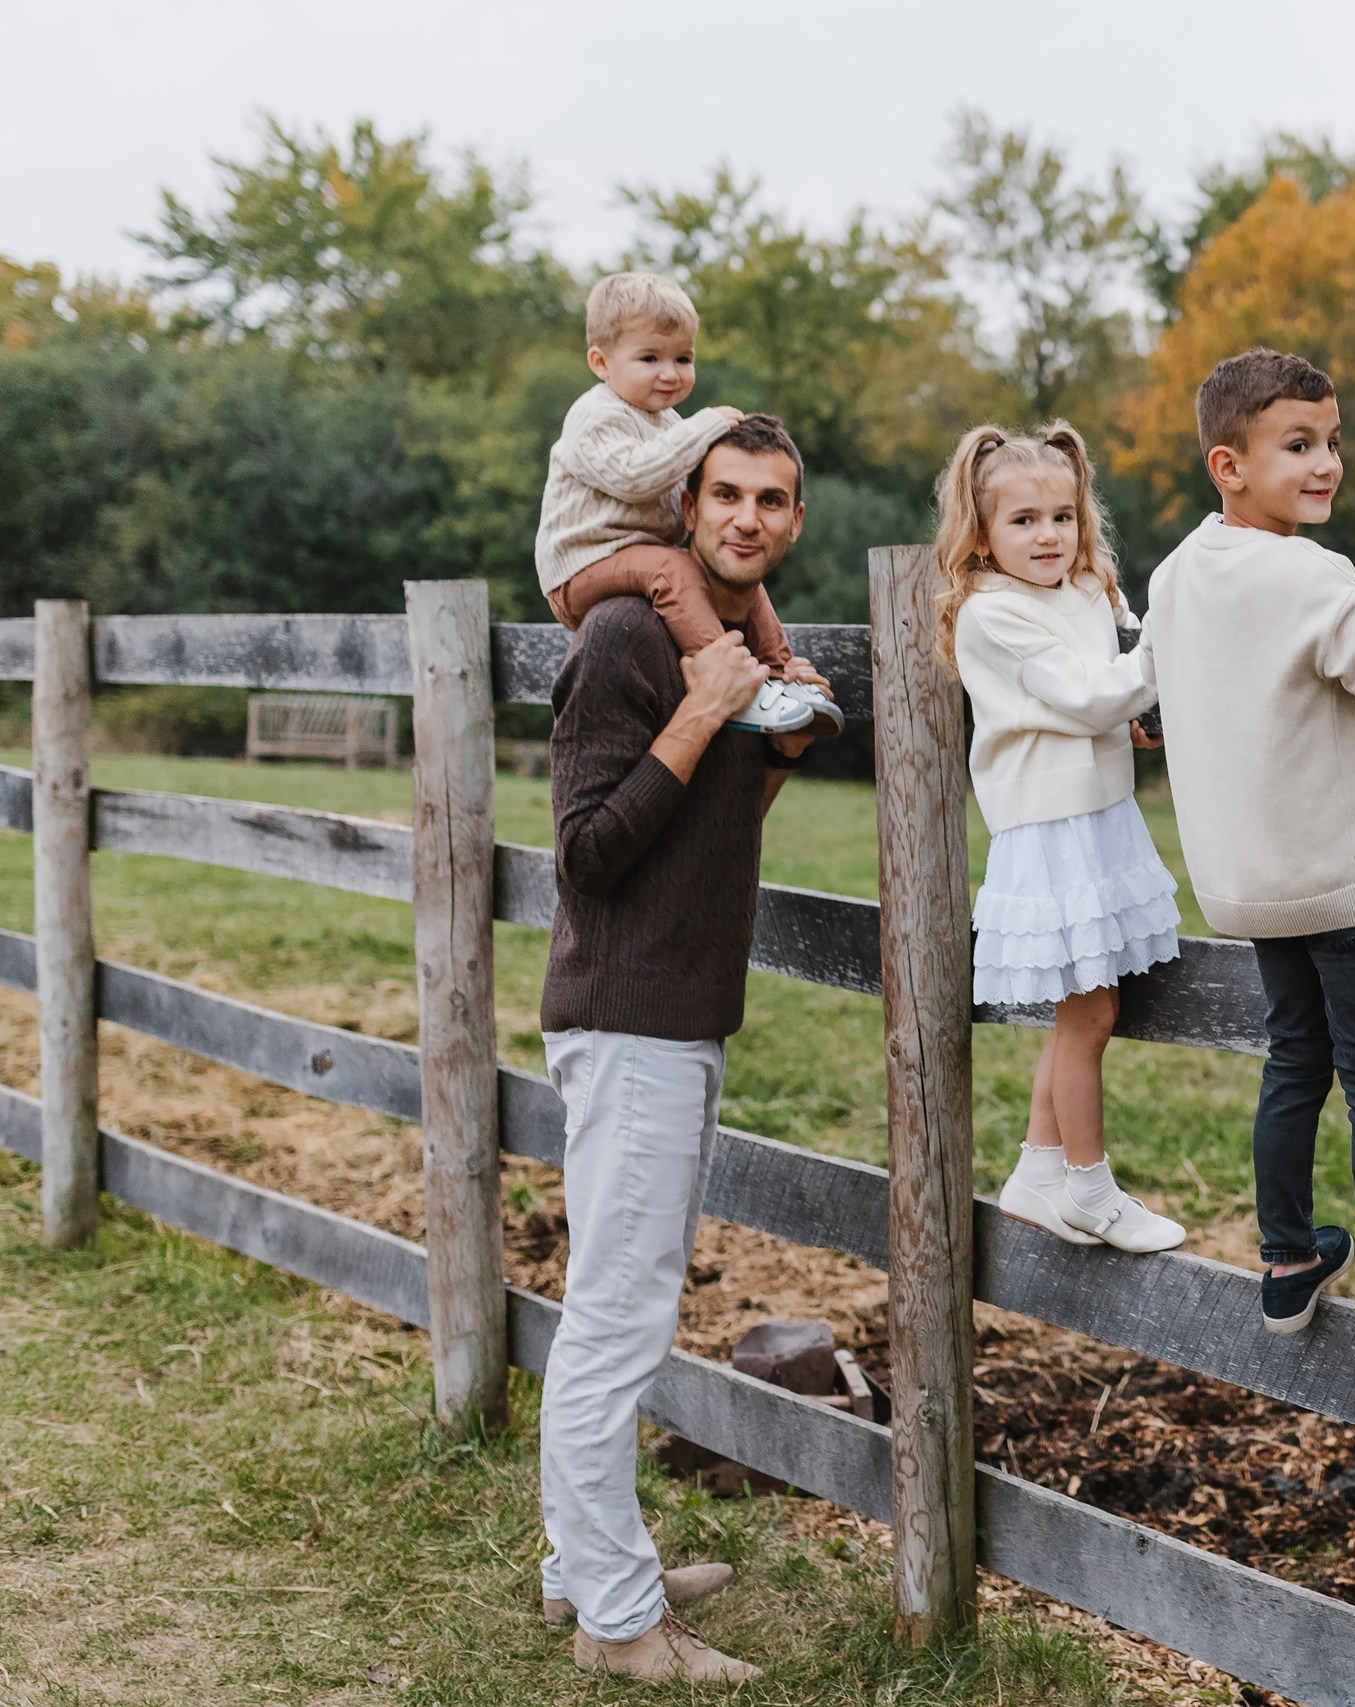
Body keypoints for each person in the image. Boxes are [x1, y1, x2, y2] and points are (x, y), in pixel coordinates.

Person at [536, 413, 834, 1683]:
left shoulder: (735, 646)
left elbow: (708, 820)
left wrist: (775, 745)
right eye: (726, 495)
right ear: (686, 507)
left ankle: (583, 1569)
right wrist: (707, 708)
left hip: (681, 1012)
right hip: (627, 1018)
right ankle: (618, 1625)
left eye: (771, 500)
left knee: (616, 1306)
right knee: (618, 1323)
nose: (746, 518)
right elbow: (588, 857)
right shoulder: (624, 634)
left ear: (793, 521)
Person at [1137, 349, 1355, 1360]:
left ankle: (1289, 1261)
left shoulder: (1176, 573)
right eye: (1297, 445)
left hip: (1247, 884)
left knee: (1294, 1058)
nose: (1326, 463)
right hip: (1344, 880)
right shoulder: (1310, 575)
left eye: (1332, 441)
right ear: (1229, 464)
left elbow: (1151, 676)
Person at [937, 421, 1187, 1254]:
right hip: (1050, 831)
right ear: (982, 534)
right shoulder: (991, 613)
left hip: (1101, 814)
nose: (1048, 535)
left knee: (1085, 1010)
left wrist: (1137, 709)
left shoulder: (1088, 588)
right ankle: (1090, 1187)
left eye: (1063, 516)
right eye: (1023, 520)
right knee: (1090, 1015)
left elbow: (1115, 672)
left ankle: (1039, 1172)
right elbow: (1084, 696)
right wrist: (1169, 647)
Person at [534, 271, 835, 736]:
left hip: (636, 559)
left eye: (683, 358)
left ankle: (782, 676)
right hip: (581, 568)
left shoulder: (665, 421)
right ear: (601, 362)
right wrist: (703, 426)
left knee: (739, 581)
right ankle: (732, 683)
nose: (670, 373)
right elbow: (634, 477)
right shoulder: (595, 416)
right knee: (674, 568)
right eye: (649, 358)